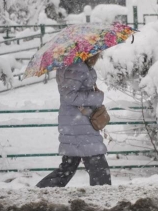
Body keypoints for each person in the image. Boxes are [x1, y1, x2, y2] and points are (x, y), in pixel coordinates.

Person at [36, 53, 111, 187]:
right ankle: (104, 201)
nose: (99, 56)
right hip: (79, 124)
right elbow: (68, 96)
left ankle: (41, 193)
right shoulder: (76, 67)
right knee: (98, 168)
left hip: (76, 123)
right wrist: (96, 97)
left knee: (67, 168)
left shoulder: (74, 66)